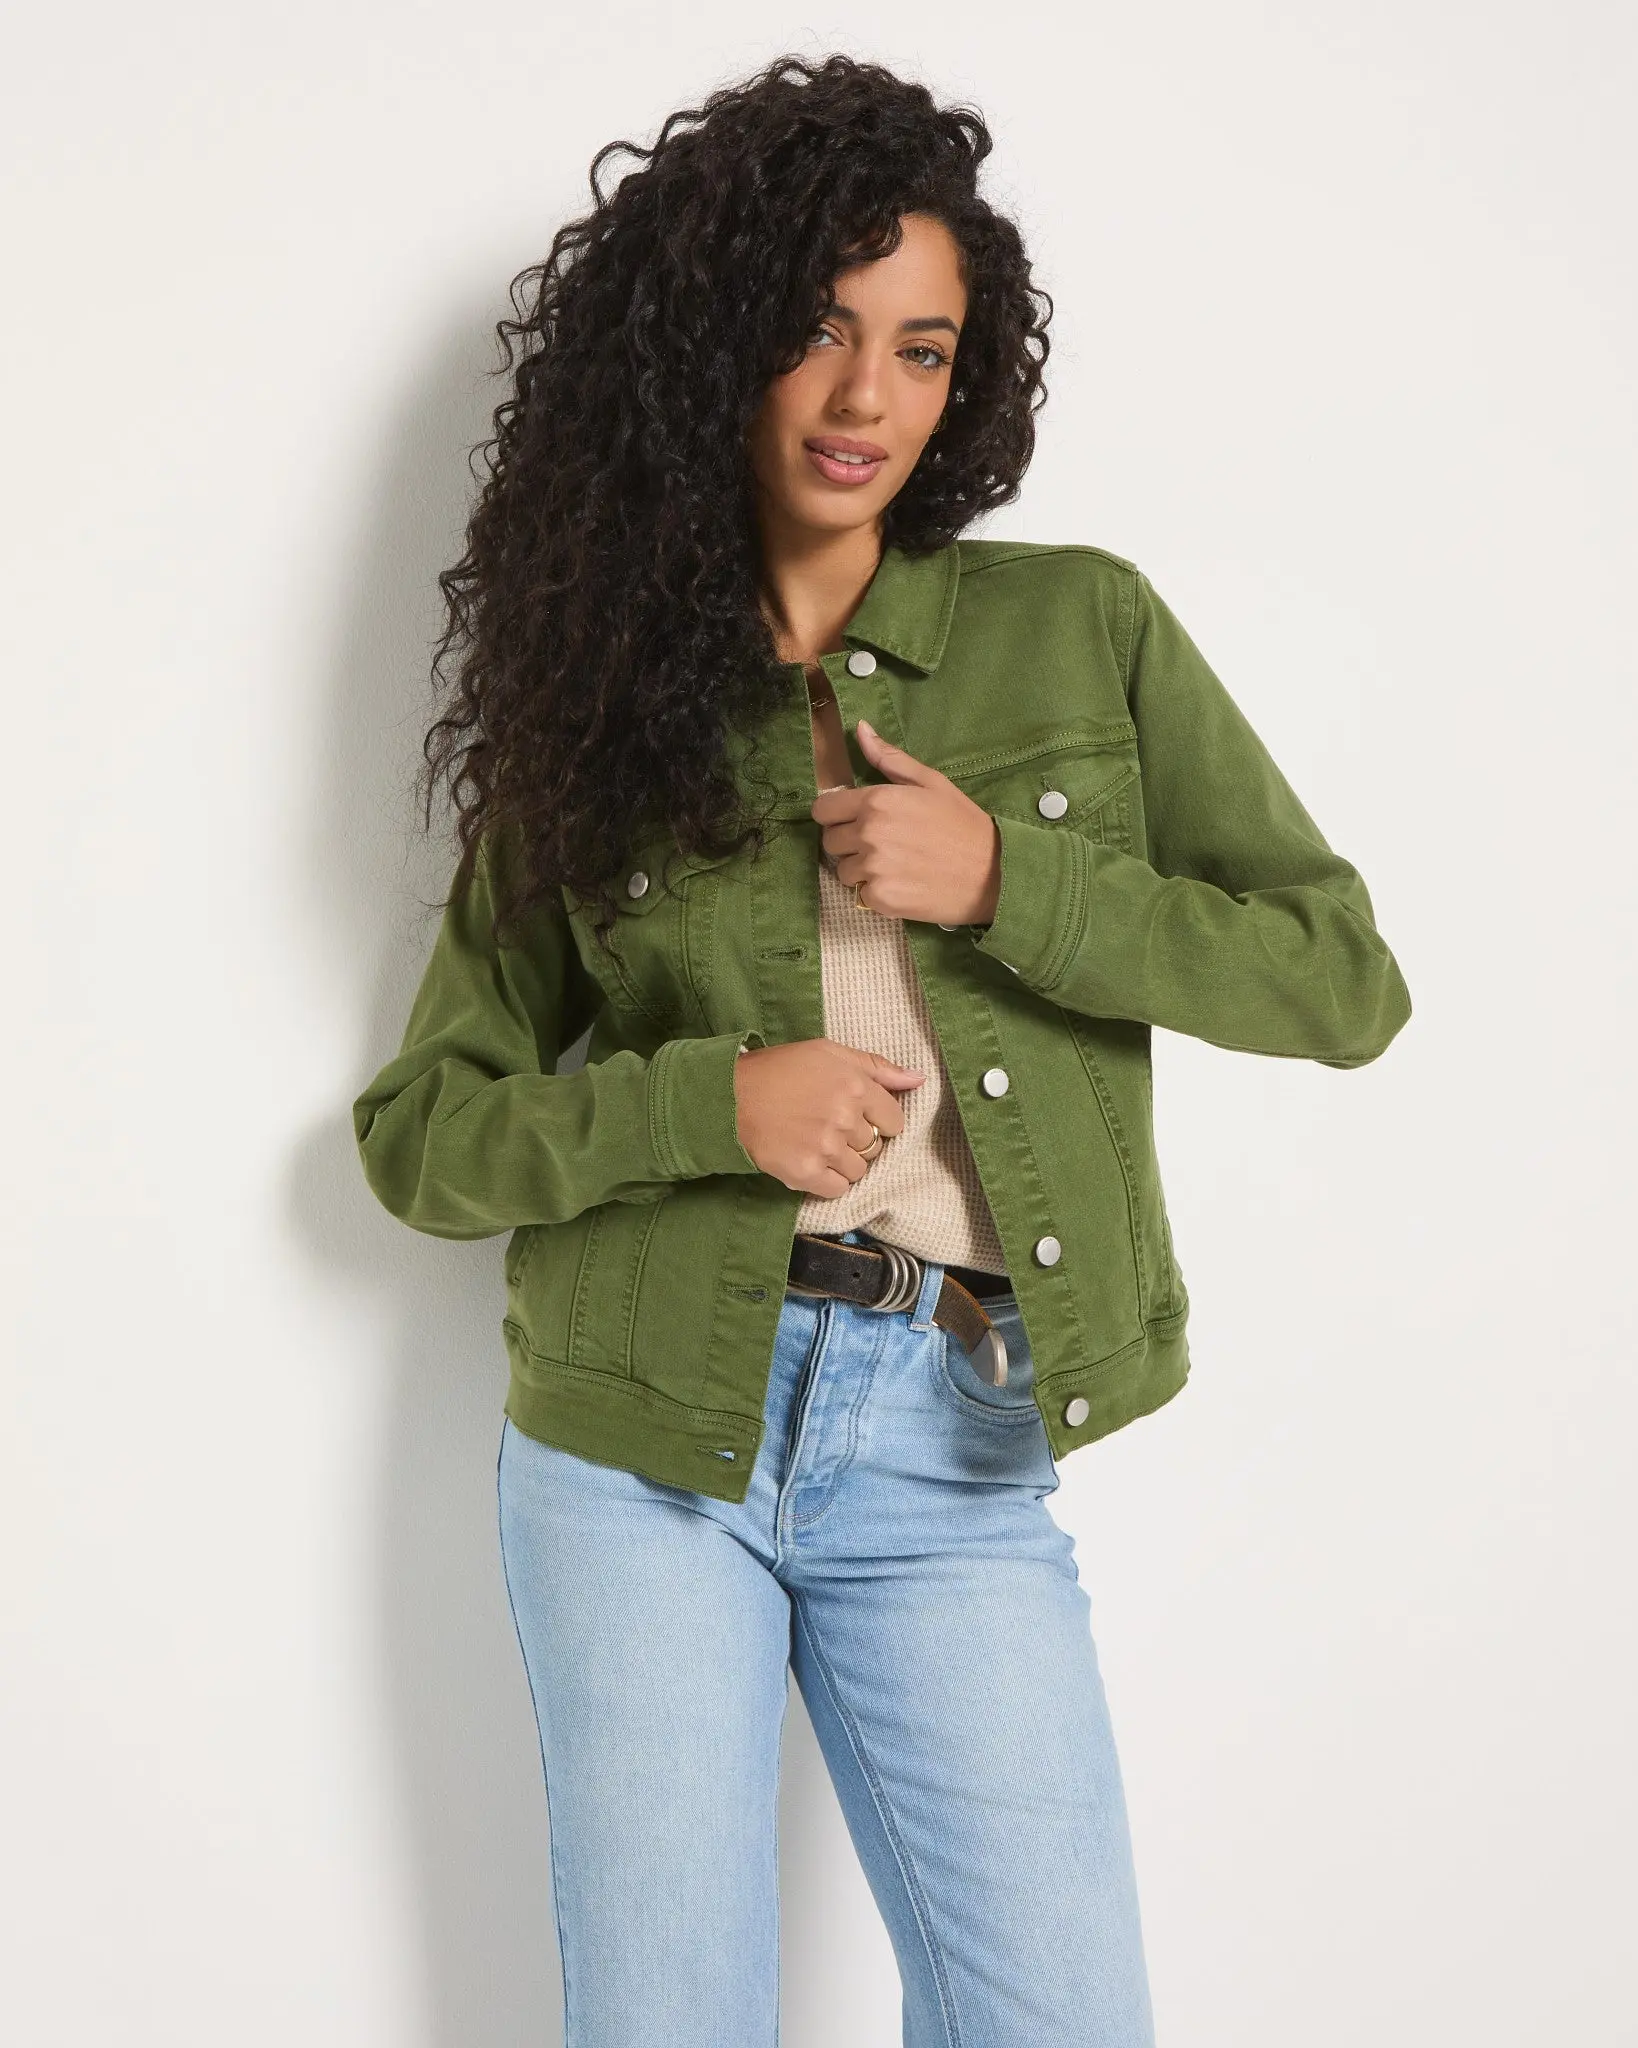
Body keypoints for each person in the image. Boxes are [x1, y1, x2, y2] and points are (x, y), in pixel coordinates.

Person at [352, 51, 1412, 2048]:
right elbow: (424, 1136)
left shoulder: (1077, 629)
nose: (865, 398)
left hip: (952, 1435)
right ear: (710, 353)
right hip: (638, 1443)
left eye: (920, 349)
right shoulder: (599, 700)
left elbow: (1341, 981)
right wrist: (709, 1104)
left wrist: (1016, 879)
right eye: (817, 332)